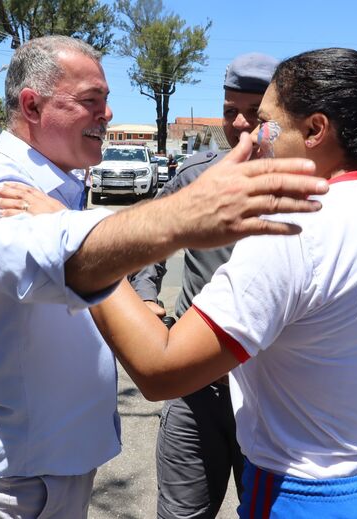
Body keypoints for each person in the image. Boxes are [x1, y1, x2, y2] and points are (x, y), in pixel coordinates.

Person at [0, 35, 328, 518]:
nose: (107, 115)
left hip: (52, 465)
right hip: (25, 475)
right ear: (32, 106)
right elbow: (66, 260)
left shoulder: (53, 187)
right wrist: (181, 217)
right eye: (91, 100)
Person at [57, 48, 357, 518]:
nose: (252, 138)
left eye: (266, 122)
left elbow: (161, 370)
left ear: (315, 130)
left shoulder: (293, 230)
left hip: (310, 498)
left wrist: (79, 242)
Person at [129, 51, 278, 519]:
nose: (240, 125)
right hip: (197, 388)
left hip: (270, 391)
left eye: (255, 114)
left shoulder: (302, 186)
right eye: (231, 111)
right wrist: (146, 297)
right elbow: (147, 239)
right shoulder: (196, 175)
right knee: (182, 513)